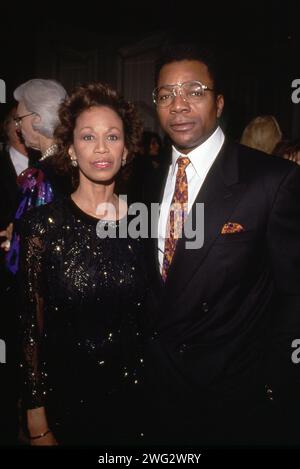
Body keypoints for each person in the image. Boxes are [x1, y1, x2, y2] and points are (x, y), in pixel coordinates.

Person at [143, 42, 300, 446]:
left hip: (231, 403)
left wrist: (273, 385)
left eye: (194, 91)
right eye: (165, 95)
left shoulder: (271, 180)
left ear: (220, 103)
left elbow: (293, 294)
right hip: (153, 394)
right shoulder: (140, 180)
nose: (178, 105)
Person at [19, 82, 147, 446]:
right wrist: (36, 417)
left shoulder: (146, 224)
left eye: (113, 137)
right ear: (71, 149)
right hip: (68, 405)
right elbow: (29, 326)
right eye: (88, 137)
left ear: (126, 150)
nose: (102, 148)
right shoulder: (42, 225)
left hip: (139, 403)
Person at [1, 79, 72, 275]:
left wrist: (13, 236)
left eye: (19, 118)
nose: (18, 126)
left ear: (36, 119)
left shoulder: (38, 177)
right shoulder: (74, 163)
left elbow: (27, 251)